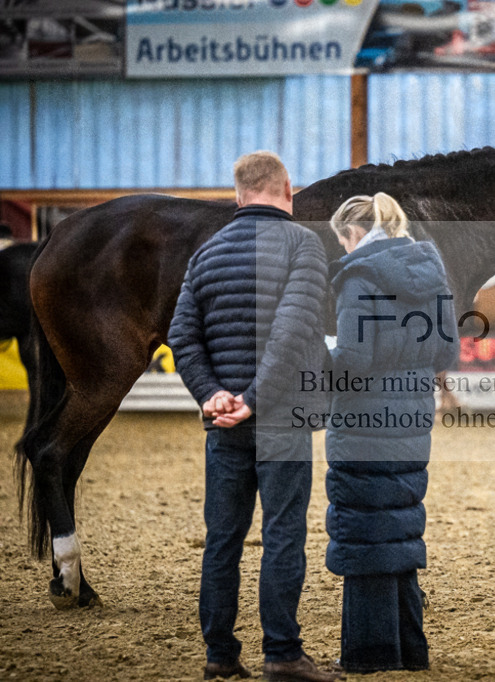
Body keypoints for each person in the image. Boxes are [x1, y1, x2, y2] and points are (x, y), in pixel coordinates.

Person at [168, 151, 338, 682]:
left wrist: (212, 393)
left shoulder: (206, 254)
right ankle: (283, 655)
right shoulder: (304, 244)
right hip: (280, 419)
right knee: (283, 534)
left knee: (223, 538)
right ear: (288, 188)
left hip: (225, 425)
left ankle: (220, 655)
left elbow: (182, 336)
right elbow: (291, 331)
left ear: (239, 194)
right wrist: (255, 399)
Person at [324, 192, 458, 673]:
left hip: (363, 425)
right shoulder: (432, 273)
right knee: (398, 529)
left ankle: (369, 653)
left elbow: (353, 362)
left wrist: (319, 357)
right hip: (413, 422)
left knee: (364, 534)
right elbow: (446, 354)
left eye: (342, 240)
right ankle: (408, 649)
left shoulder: (359, 278)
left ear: (354, 234)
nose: (342, 250)